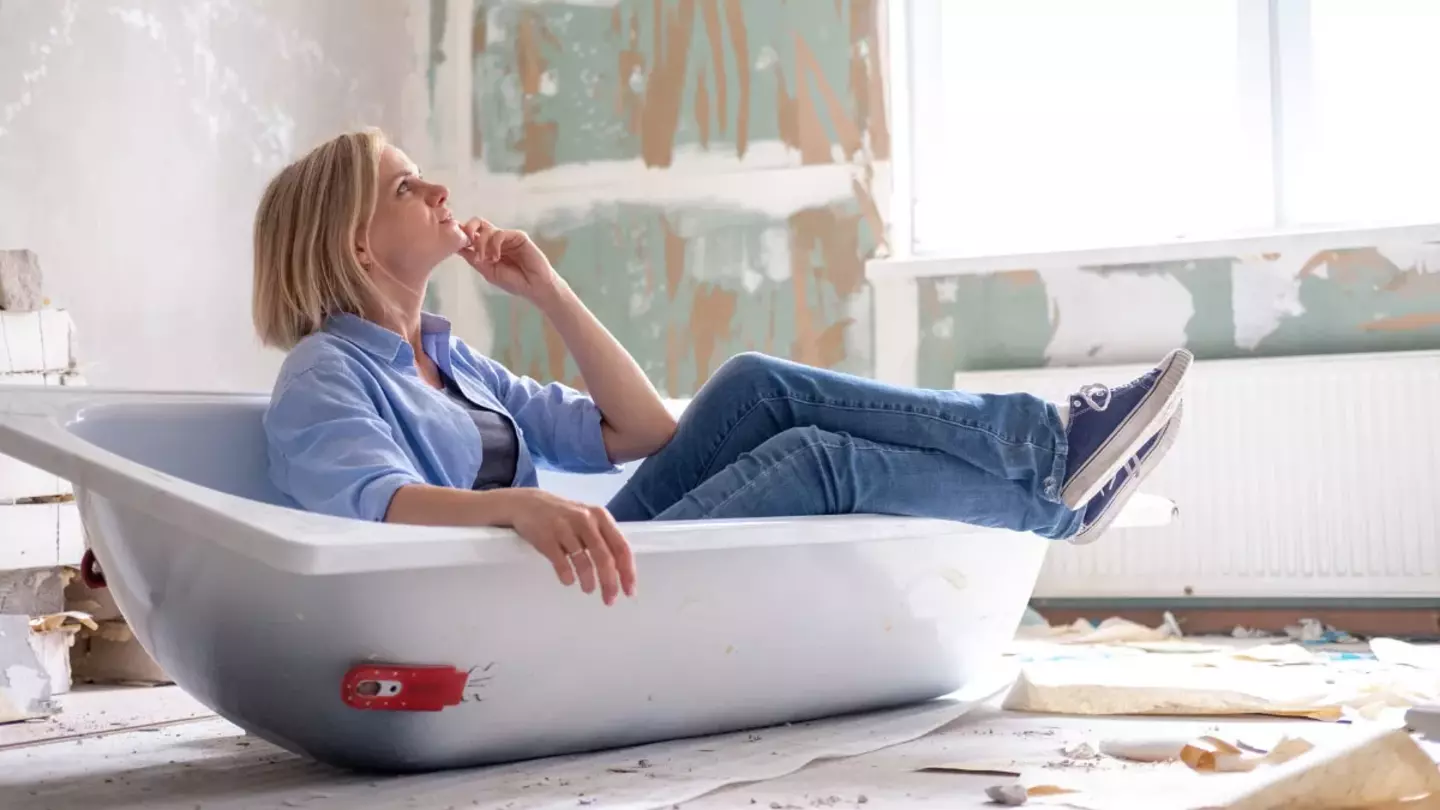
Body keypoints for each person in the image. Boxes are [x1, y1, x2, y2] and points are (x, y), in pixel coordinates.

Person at [252, 129, 1190, 608]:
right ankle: (1057, 493)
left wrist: (551, 295)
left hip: (583, 555)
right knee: (822, 461)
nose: (439, 189)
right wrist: (516, 505)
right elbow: (369, 502)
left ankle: (1049, 449)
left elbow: (644, 433)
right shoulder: (325, 373)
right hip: (521, 596)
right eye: (406, 186)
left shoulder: (456, 361)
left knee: (750, 384)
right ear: (355, 243)